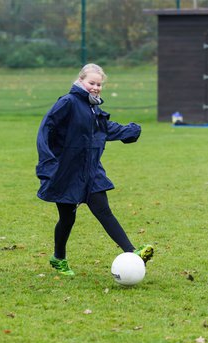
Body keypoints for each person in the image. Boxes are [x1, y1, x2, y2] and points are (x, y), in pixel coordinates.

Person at [36, 63, 153, 276]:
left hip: (91, 172)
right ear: (81, 81)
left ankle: (132, 252)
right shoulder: (68, 102)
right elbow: (46, 129)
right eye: (92, 82)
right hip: (67, 173)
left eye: (99, 84)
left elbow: (105, 128)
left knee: (104, 211)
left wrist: (130, 131)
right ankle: (58, 257)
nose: (96, 87)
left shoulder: (93, 108)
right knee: (67, 218)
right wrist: (47, 163)